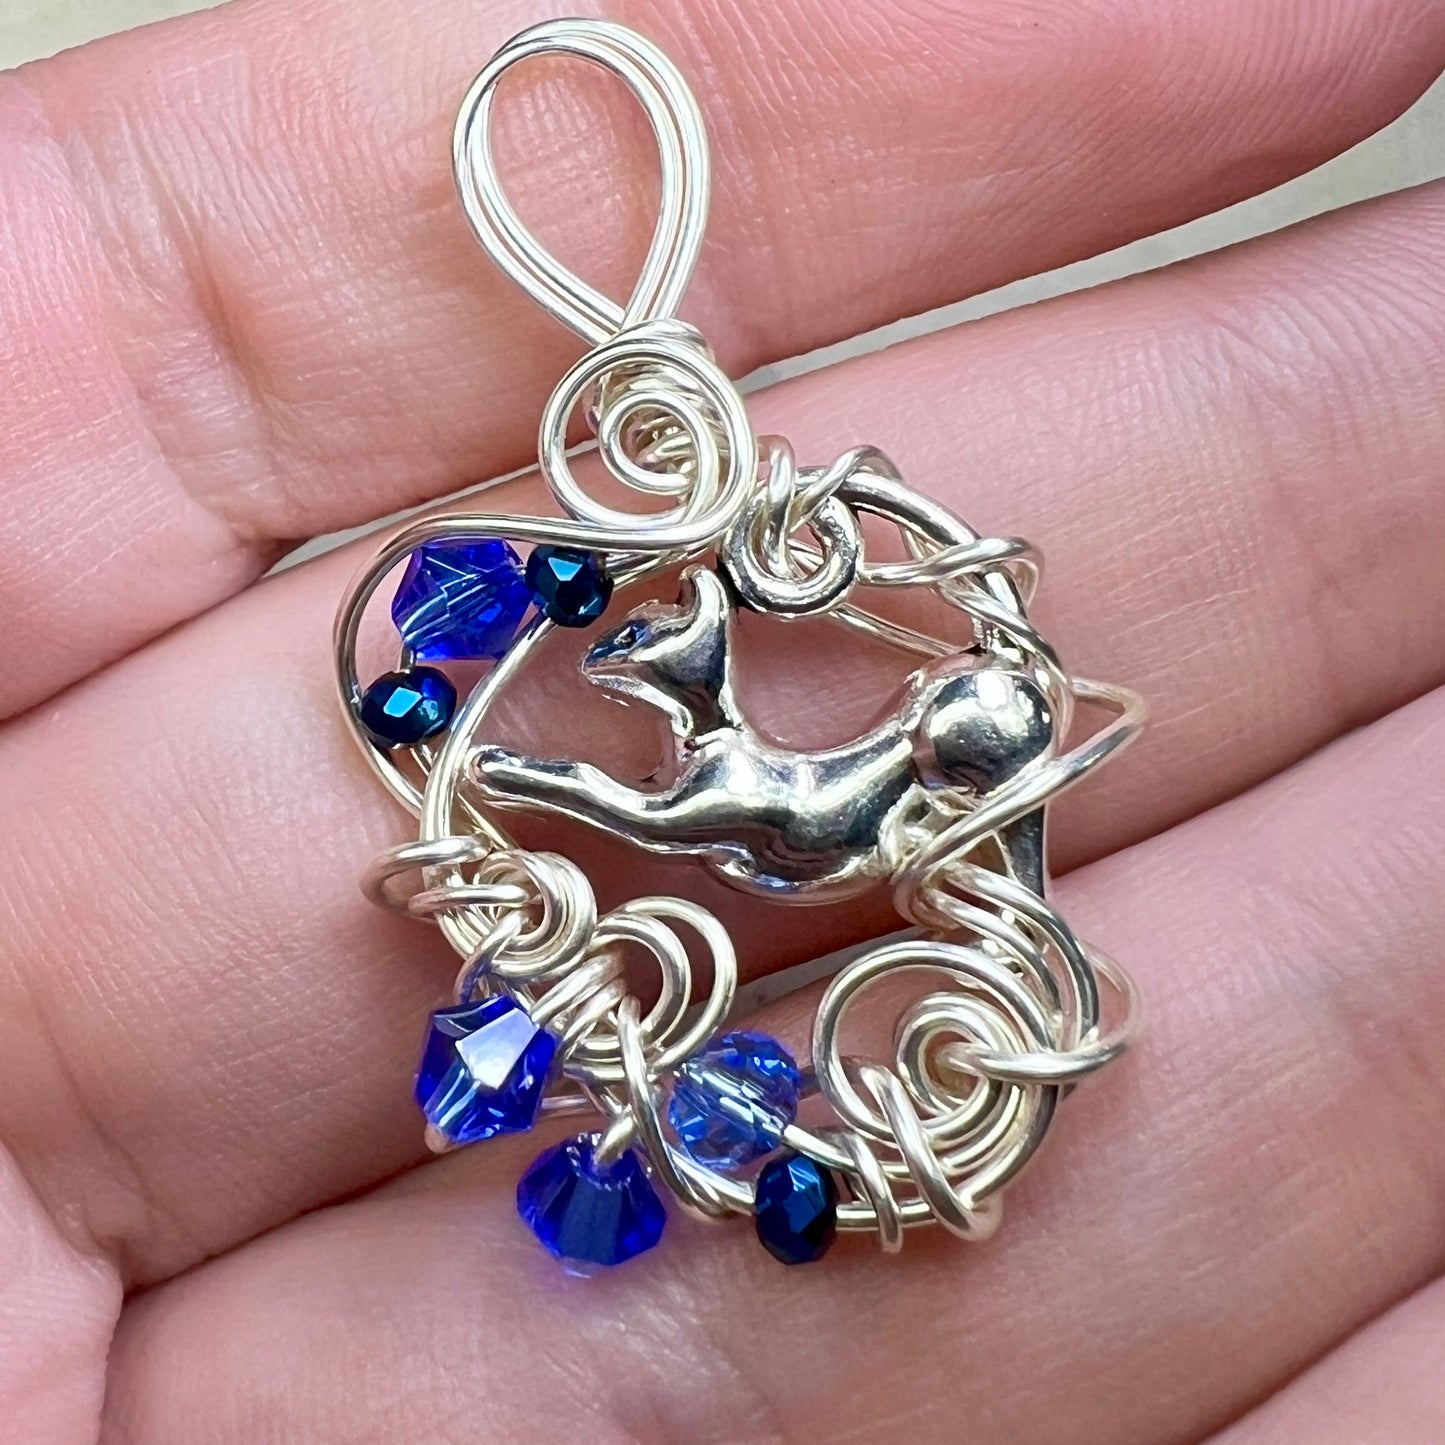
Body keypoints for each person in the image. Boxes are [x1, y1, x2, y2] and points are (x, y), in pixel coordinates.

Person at [2, 1, 1444, 1440]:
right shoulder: (717, 720)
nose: (629, 668)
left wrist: (509, 776)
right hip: (803, 863)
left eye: (649, 658)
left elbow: (636, 809)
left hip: (835, 844)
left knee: (695, 808)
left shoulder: (741, 764)